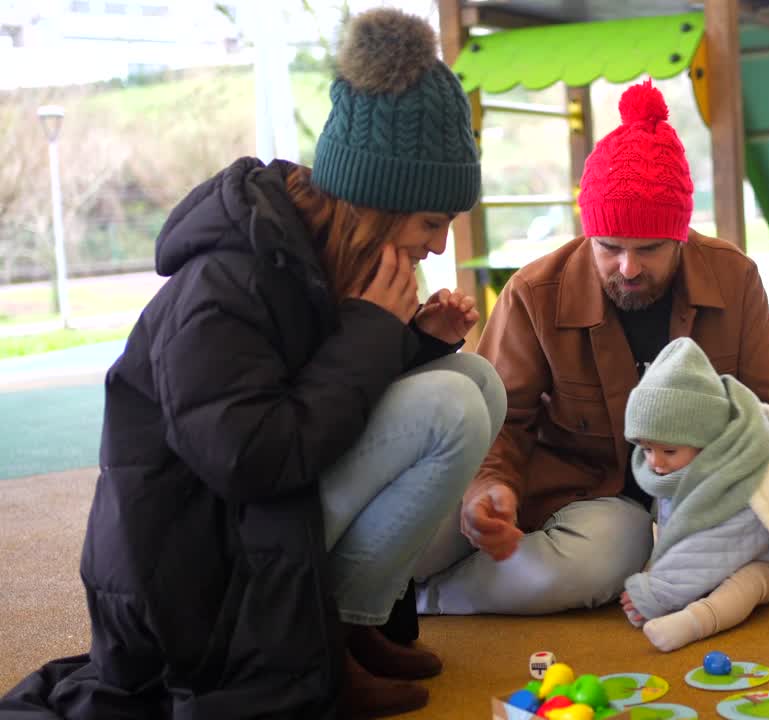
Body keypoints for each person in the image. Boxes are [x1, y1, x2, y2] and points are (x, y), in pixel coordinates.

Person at [0, 9, 504, 719]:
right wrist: (369, 332)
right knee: (447, 409)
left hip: (260, 512)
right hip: (192, 558)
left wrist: (411, 338)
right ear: (375, 205)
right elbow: (251, 457)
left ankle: (352, 628)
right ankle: (321, 642)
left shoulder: (326, 257)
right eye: (430, 223)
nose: (438, 245)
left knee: (473, 380)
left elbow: (315, 389)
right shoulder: (225, 280)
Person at [412, 79, 769, 617]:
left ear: (680, 236)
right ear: (588, 236)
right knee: (422, 527)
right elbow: (503, 422)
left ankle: (425, 598)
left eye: (648, 249)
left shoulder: (734, 278)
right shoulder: (533, 293)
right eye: (609, 248)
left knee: (615, 555)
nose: (627, 268)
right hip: (556, 483)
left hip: (635, 507)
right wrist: (492, 489)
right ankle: (402, 588)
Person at [617, 338, 769, 652]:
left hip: (762, 562)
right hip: (704, 562)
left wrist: (659, 591)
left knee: (746, 584)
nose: (655, 462)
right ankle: (686, 594)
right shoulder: (682, 465)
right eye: (646, 449)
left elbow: (716, 547)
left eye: (668, 450)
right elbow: (677, 530)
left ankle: (696, 622)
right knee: (690, 574)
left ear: (708, 440)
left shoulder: (748, 477)